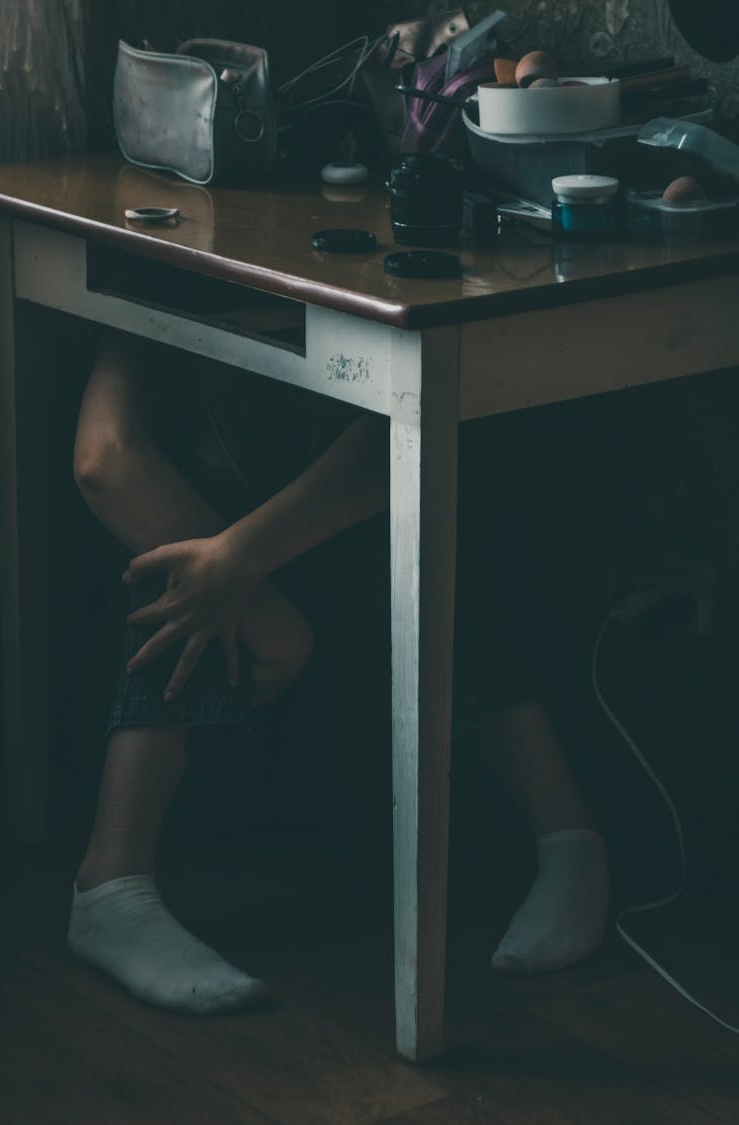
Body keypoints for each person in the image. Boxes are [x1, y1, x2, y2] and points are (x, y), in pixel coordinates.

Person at [67, 328, 608, 1014]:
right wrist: (269, 619)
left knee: (399, 487)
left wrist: (240, 558)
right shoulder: (151, 263)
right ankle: (111, 879)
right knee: (182, 562)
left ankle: (569, 835)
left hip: (342, 689)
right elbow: (105, 462)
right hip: (225, 713)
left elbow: (397, 439)